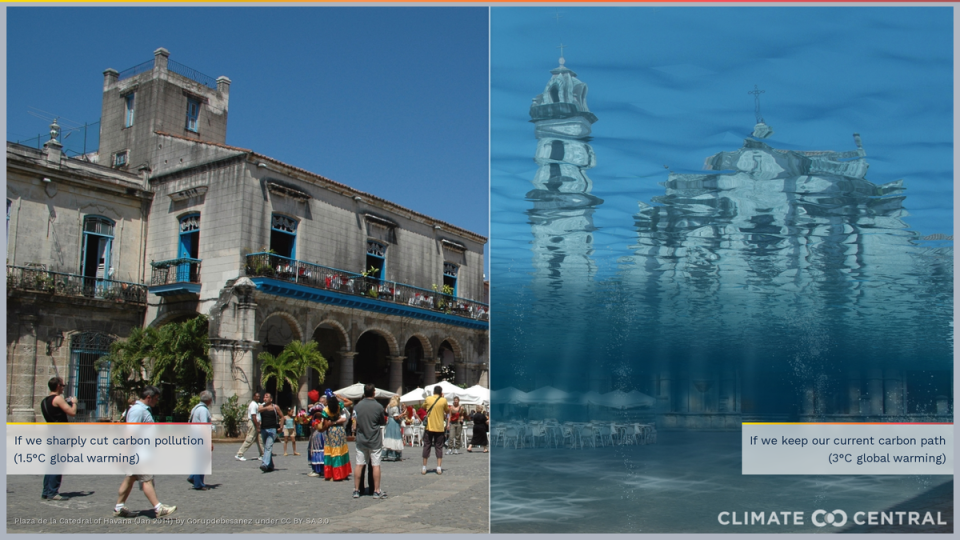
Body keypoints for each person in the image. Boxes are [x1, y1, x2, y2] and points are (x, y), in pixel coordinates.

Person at [114, 386, 176, 518]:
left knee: (130, 479)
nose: (157, 401)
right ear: (149, 397)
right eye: (156, 399)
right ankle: (158, 508)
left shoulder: (141, 410)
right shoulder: (137, 411)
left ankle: (119, 507)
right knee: (147, 479)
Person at [40, 376, 76, 500]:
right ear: (58, 386)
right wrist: (74, 403)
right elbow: (72, 412)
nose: (63, 388)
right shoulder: (58, 399)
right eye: (63, 386)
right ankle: (53, 492)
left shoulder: (44, 401)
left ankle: (46, 490)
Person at [353, 384, 387, 499]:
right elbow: (382, 422)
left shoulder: (357, 406)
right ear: (374, 392)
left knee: (359, 464)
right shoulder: (378, 407)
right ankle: (377, 490)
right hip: (374, 440)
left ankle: (356, 490)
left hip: (361, 439)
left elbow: (355, 422)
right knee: (375, 465)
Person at [321, 389, 353, 482]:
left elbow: (326, 424)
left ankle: (332, 474)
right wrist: (340, 397)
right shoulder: (339, 406)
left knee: (331, 452)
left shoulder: (326, 410)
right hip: (340, 430)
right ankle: (343, 473)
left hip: (331, 431)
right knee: (342, 450)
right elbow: (350, 402)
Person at [187, 391, 214, 490]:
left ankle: (193, 476)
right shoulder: (203, 410)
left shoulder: (196, 408)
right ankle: (198, 483)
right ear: (209, 400)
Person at [421, 385, 449, 475]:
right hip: (439, 427)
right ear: (441, 393)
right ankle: (439, 467)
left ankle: (424, 467)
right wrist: (442, 398)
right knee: (439, 447)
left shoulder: (428, 399)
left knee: (427, 446)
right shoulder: (443, 400)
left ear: (433, 392)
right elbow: (447, 411)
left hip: (429, 426)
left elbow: (422, 407)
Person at [257, 393, 283, 472]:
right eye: (264, 397)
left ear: (271, 399)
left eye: (267, 397)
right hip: (264, 429)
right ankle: (270, 465)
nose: (265, 398)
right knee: (266, 448)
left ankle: (264, 464)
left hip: (272, 429)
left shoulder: (275, 407)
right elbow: (259, 410)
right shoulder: (262, 406)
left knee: (268, 447)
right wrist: (267, 408)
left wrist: (281, 426)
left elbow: (282, 416)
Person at [234, 392, 263, 461]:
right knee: (250, 439)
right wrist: (257, 426)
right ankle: (240, 454)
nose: (258, 398)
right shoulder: (253, 405)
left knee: (260, 440)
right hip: (253, 423)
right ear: (253, 397)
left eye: (259, 396)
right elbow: (253, 416)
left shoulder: (257, 404)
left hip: (257, 423)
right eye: (257, 396)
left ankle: (262, 454)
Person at [306, 391, 326, 478]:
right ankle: (320, 469)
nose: (321, 402)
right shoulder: (319, 406)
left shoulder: (319, 407)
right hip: (317, 430)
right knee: (317, 449)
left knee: (318, 449)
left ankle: (318, 470)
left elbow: (317, 414)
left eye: (323, 400)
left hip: (319, 431)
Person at [383, 396, 404, 462]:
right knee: (395, 437)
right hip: (394, 423)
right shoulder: (395, 407)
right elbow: (396, 417)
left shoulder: (389, 406)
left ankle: (386, 454)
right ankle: (395, 455)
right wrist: (402, 414)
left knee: (389, 437)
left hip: (389, 422)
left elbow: (386, 411)